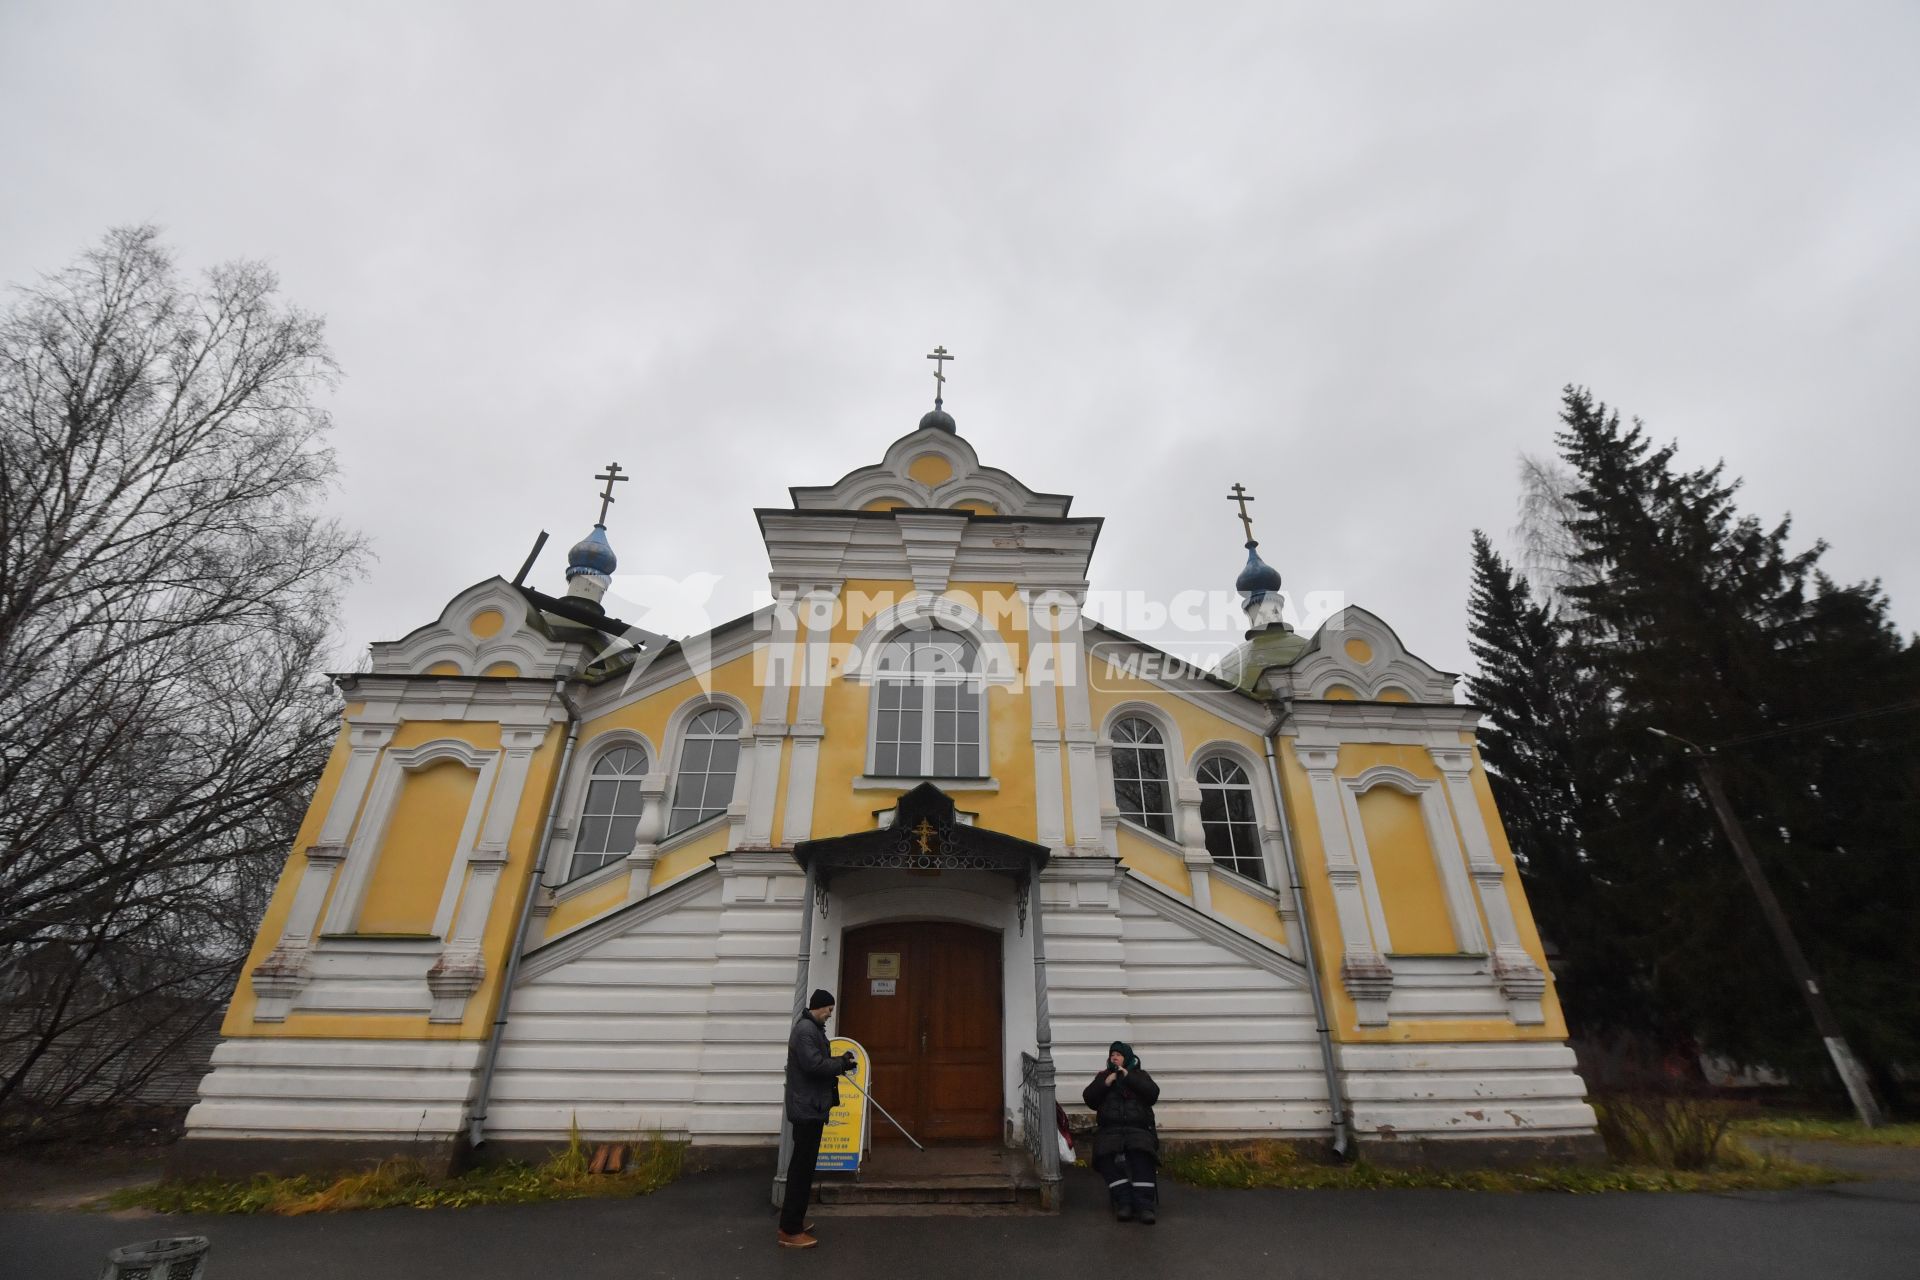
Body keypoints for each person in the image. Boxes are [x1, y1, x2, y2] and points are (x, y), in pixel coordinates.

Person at [779, 988, 856, 1249]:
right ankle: (789, 1229)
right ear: (819, 1007)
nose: (830, 1014)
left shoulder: (812, 1030)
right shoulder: (805, 1031)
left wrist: (838, 1061)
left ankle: (795, 1221)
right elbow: (813, 1066)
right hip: (807, 1109)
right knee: (801, 1170)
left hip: (812, 1107)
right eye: (829, 1010)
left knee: (805, 1168)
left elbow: (818, 1061)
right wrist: (841, 1064)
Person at [1083, 1040, 1161, 1224]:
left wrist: (1128, 1077)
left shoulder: (1139, 1074)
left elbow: (1153, 1094)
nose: (1114, 1057)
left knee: (1141, 1153)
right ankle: (1124, 1201)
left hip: (1138, 1128)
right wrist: (1105, 1083)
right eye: (1112, 1055)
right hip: (1111, 1130)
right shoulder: (1104, 1076)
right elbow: (1089, 1099)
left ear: (1127, 1058)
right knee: (1104, 1156)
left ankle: (1144, 1206)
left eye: (1118, 1055)